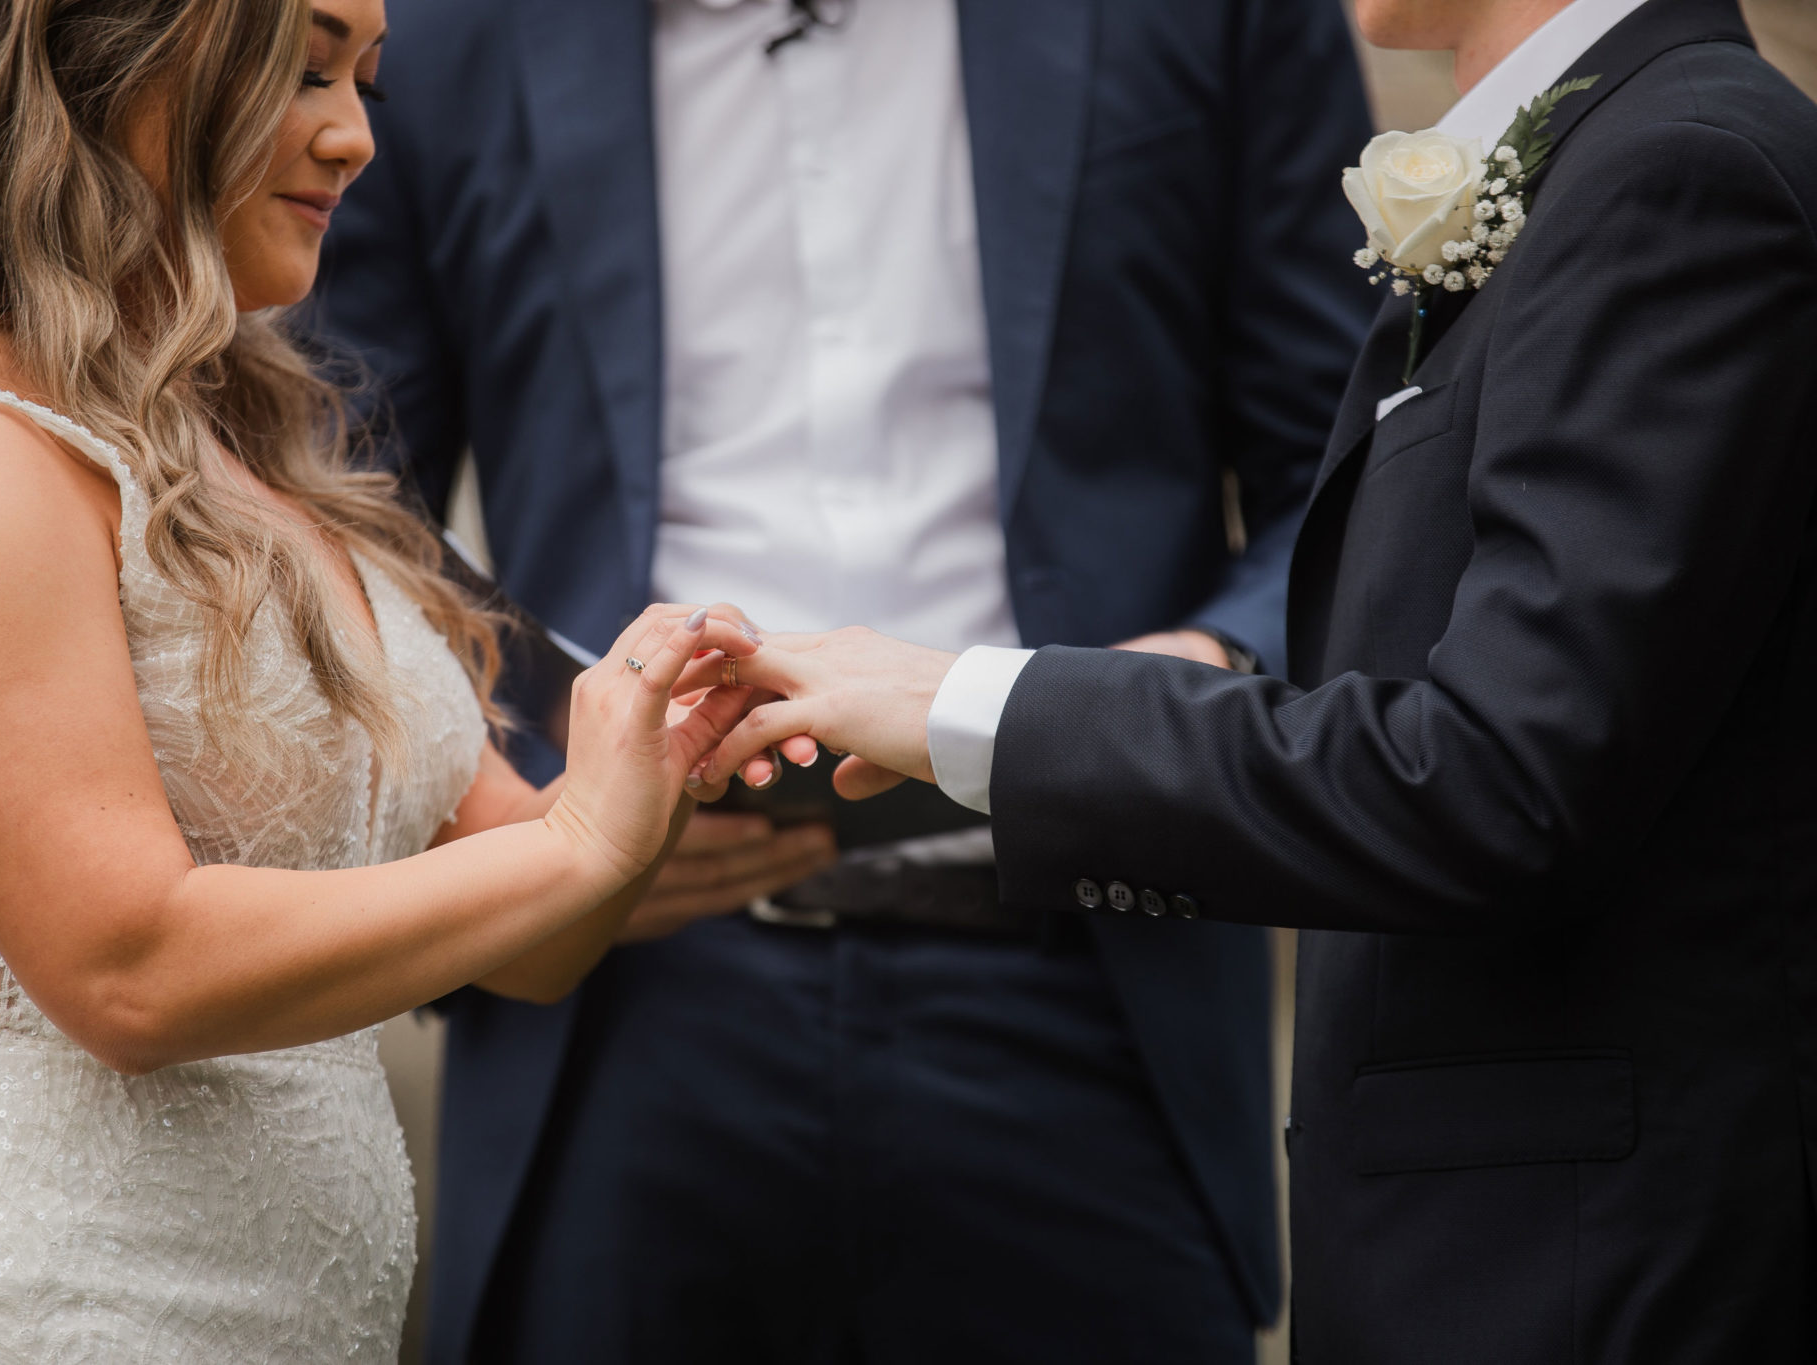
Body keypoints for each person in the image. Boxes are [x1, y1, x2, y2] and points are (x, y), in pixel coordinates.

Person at [701, 0, 1817, 1359]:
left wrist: (979, 705)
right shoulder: (1604, 161)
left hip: (1596, 1271)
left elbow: (1496, 783)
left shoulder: (1686, 170)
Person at [312, 0, 1373, 1360]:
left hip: (1082, 969)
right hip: (619, 1003)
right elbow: (330, 486)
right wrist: (503, 817)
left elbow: (1354, 470)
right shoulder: (439, 31)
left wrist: (1198, 672)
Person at [0, 0, 763, 1359]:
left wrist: (662, 748)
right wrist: (583, 841)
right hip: (46, 1315)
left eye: (365, 76)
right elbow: (128, 967)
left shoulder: (256, 455)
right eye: (304, 69)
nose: (355, 136)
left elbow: (534, 934)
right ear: (115, 59)